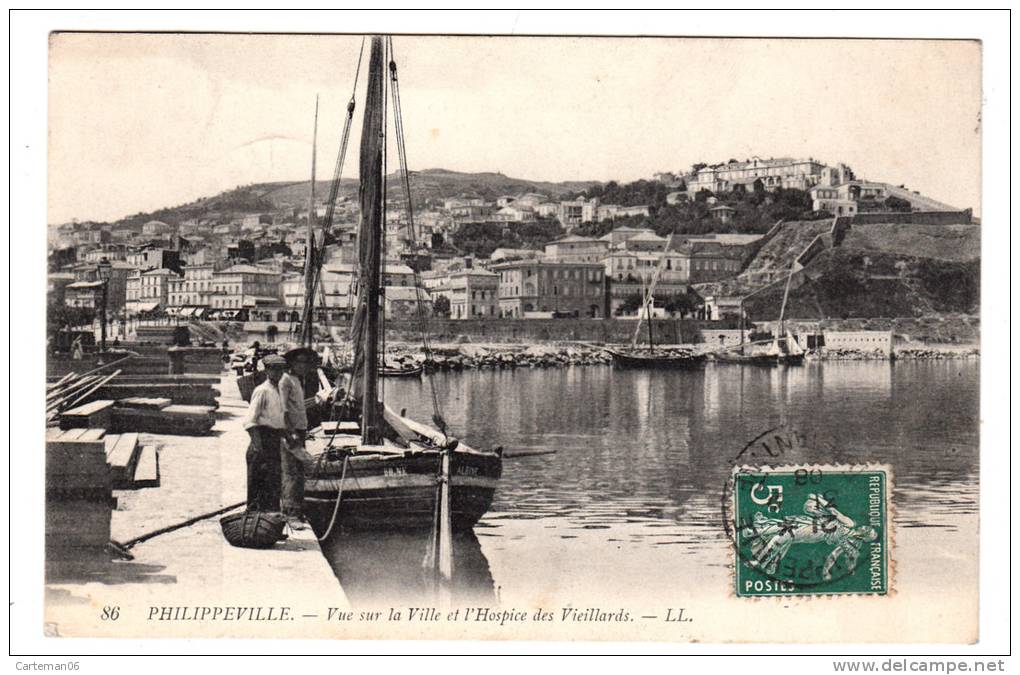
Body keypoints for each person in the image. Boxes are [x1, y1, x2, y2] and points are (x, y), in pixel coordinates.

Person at [241, 354, 287, 513]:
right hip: (262, 439)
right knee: (258, 486)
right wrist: (258, 445)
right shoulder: (262, 391)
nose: (278, 373)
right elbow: (249, 421)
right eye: (274, 369)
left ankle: (271, 526)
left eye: (281, 369)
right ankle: (255, 527)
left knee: (273, 485)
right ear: (267, 370)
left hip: (274, 440)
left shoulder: (279, 390)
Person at [279, 347, 318, 528]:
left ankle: (297, 509)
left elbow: (298, 407)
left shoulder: (297, 380)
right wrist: (290, 432)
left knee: (299, 470)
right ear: (292, 364)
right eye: (300, 362)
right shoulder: (286, 380)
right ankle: (290, 513)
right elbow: (283, 409)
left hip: (300, 430)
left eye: (306, 362)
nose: (304, 366)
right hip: (291, 431)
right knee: (291, 471)